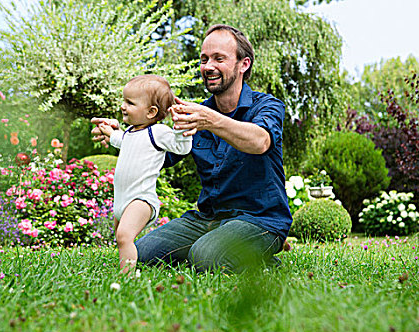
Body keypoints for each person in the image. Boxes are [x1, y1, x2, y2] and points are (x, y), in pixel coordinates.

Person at [93, 24, 292, 273]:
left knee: (206, 257)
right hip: (208, 219)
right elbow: (156, 154)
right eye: (204, 59)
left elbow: (260, 141)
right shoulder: (195, 115)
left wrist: (211, 121)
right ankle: (226, 244)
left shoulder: (266, 106)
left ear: (244, 64)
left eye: (219, 58)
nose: (208, 66)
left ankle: (259, 248)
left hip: (259, 218)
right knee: (142, 254)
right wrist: (124, 135)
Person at [91, 75, 192, 273]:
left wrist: (182, 130)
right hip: (122, 200)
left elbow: (181, 148)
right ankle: (125, 263)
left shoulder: (158, 132)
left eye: (129, 103)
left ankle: (127, 276)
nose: (123, 106)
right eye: (124, 101)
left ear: (151, 112)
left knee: (124, 236)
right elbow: (120, 140)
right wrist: (108, 132)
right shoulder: (130, 132)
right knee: (121, 237)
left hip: (141, 199)